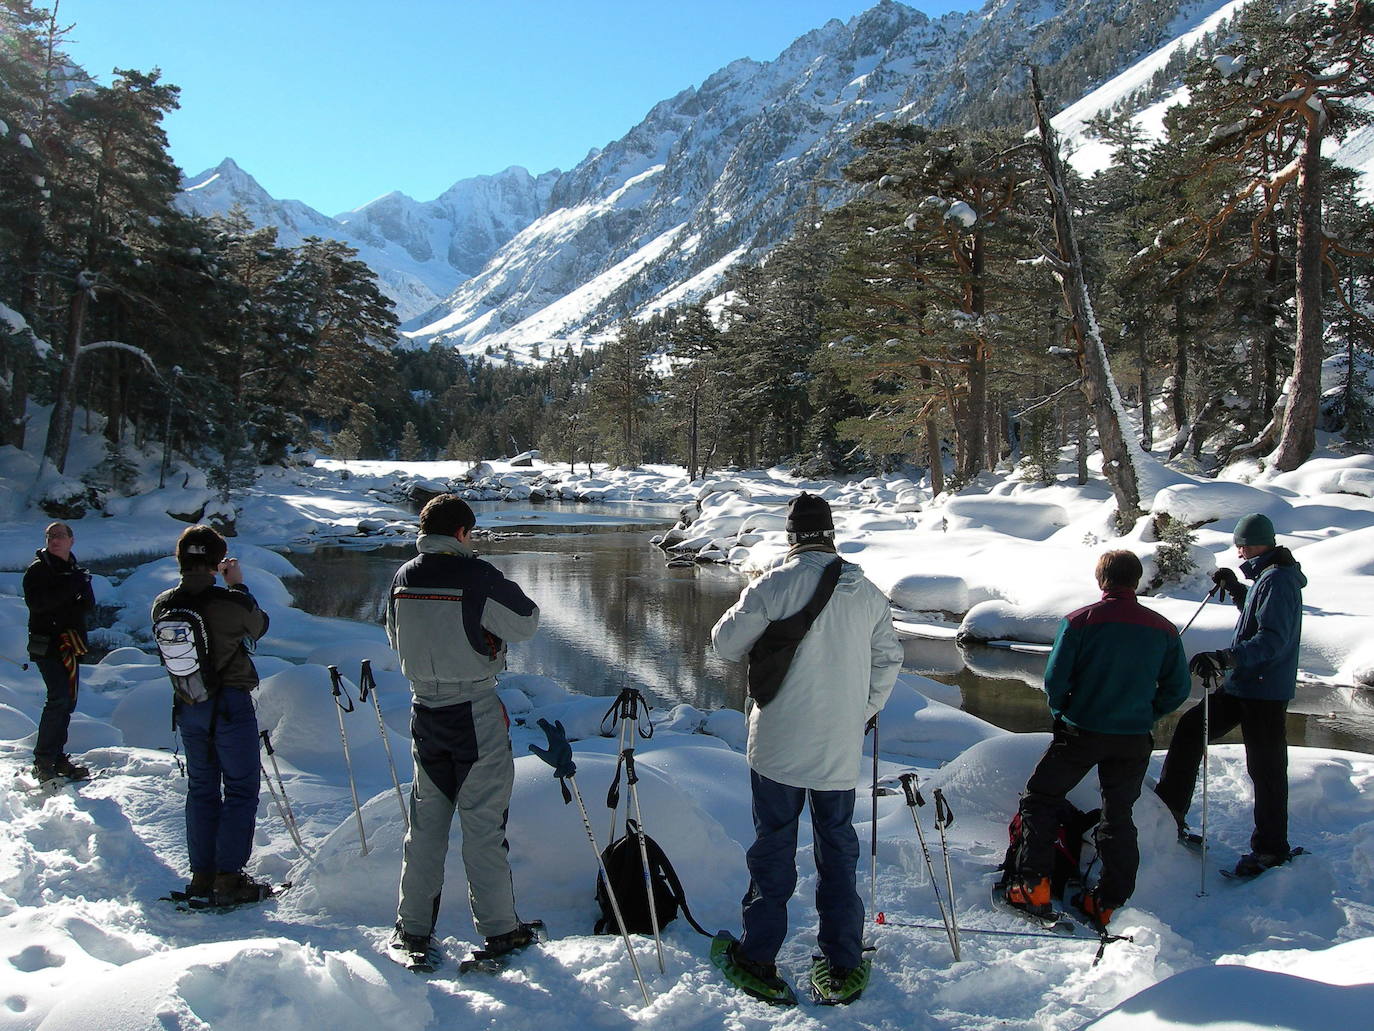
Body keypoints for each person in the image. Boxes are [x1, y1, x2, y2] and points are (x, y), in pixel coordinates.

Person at [710, 492, 902, 1004]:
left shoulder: (774, 583)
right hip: (837, 749)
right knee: (837, 848)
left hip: (776, 744)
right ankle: (841, 961)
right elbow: (889, 659)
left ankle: (758, 954)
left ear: (792, 537)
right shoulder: (867, 592)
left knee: (774, 844)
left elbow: (724, 644)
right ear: (831, 533)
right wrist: (860, 711)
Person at [386, 494, 541, 964]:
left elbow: (393, 634)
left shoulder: (403, 576)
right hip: (473, 713)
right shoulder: (477, 576)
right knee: (483, 826)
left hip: (424, 714)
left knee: (425, 826)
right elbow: (527, 621)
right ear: (462, 533)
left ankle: (412, 931)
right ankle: (500, 930)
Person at [1003, 550, 1190, 928]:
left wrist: (1063, 712)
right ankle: (1106, 903)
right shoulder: (1165, 629)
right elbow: (1177, 690)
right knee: (1118, 816)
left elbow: (1055, 681)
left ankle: (1032, 885)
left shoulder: (1079, 621)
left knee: (1041, 798)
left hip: (1081, 731)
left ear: (1101, 580)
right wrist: (1146, 714)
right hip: (1133, 738)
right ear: (1135, 581)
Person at [1155, 512, 1306, 878]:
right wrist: (1238, 589)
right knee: (1191, 729)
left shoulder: (1278, 581)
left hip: (1263, 691)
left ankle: (1271, 850)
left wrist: (1226, 658)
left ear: (1256, 544)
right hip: (1245, 685)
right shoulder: (1268, 577)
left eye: (1241, 545)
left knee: (1266, 768)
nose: (1238, 552)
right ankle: (1169, 814)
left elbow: (1272, 639)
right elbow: (1257, 617)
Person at [153, 525, 271, 904]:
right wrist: (237, 585)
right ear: (217, 561)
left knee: (201, 789)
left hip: (189, 705)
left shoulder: (164, 604)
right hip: (231, 706)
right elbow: (259, 626)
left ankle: (201, 875)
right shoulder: (229, 603)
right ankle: (228, 877)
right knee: (239, 789)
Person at [24, 522, 95, 782]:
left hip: (71, 644)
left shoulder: (76, 571)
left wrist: (74, 589)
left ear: (71, 540)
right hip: (47, 646)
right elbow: (40, 605)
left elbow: (87, 606)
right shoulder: (38, 571)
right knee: (58, 697)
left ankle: (57, 757)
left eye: (60, 536)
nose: (55, 540)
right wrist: (71, 589)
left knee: (68, 701)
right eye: (50, 536)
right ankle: (43, 761)